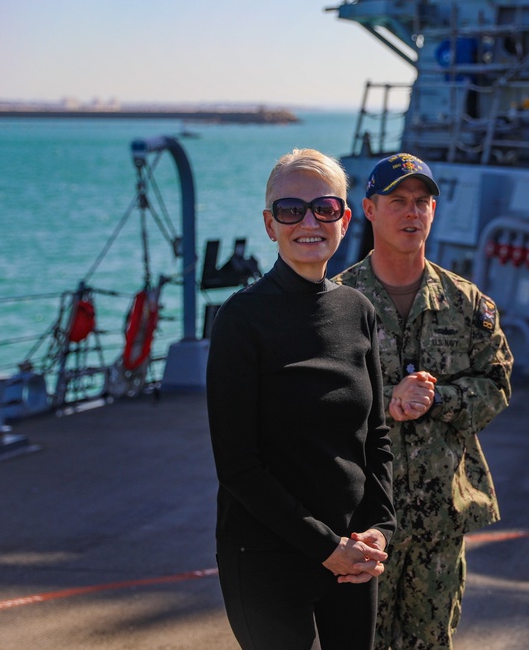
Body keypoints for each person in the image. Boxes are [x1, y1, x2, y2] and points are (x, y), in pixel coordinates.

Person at [206, 149, 395, 650]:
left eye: (325, 208)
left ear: (345, 219)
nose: (309, 221)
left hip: (352, 555)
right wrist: (324, 547)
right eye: (290, 210)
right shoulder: (240, 320)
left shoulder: (358, 311)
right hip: (266, 555)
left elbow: (376, 437)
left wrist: (379, 528)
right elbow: (238, 465)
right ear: (270, 225)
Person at [334, 152, 513, 650]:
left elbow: (496, 386)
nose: (412, 212)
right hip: (363, 520)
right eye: (398, 201)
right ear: (368, 210)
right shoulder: (337, 303)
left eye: (423, 202)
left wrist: (440, 400)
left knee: (431, 643)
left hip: (440, 517)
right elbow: (313, 405)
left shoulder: (467, 303)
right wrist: (387, 403)